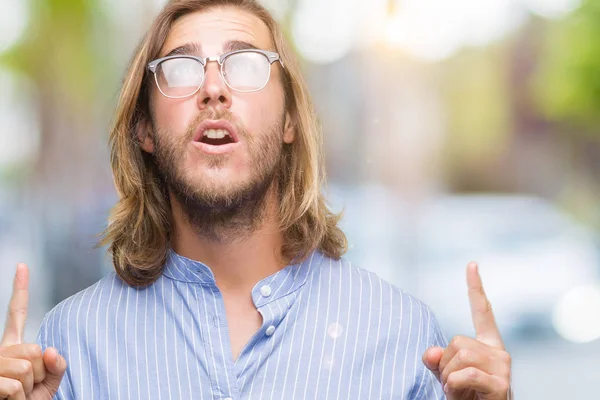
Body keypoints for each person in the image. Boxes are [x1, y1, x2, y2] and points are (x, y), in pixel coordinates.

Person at [0, 0, 512, 398]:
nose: (214, 89)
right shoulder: (72, 347)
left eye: (245, 64)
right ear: (145, 130)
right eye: (181, 69)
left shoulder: (403, 335)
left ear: (290, 120)